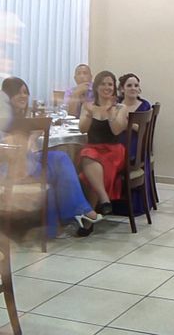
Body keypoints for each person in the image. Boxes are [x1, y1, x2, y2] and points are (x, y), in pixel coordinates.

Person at [1, 77, 102, 238]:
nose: (23, 96)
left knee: (60, 159)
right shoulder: (4, 120)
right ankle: (81, 211)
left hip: (27, 162)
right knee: (59, 166)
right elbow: (15, 152)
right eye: (18, 93)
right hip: (10, 170)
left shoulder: (23, 118)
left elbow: (30, 153)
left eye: (26, 92)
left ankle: (55, 226)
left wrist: (34, 133)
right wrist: (33, 136)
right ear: (8, 95)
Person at [78, 70, 128, 228]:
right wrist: (88, 114)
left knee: (91, 169)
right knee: (88, 156)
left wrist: (110, 113)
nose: (107, 87)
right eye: (103, 84)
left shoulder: (121, 107)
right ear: (96, 87)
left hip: (114, 150)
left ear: (114, 87)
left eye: (110, 84)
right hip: (93, 150)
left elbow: (116, 130)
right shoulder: (89, 106)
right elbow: (82, 129)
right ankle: (104, 200)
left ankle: (88, 220)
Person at [114, 72, 152, 216]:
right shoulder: (116, 104)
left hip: (135, 147)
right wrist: (129, 124)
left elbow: (141, 129)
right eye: (129, 85)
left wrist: (126, 124)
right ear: (122, 89)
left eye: (136, 85)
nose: (133, 88)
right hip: (117, 141)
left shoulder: (144, 105)